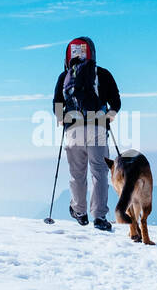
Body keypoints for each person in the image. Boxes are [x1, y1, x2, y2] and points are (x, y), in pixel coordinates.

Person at [52, 36, 122, 231]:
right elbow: (116, 102)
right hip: (97, 128)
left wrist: (61, 118)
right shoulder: (103, 74)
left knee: (77, 173)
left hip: (73, 131)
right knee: (99, 172)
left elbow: (57, 104)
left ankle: (80, 211)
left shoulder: (64, 76)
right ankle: (100, 217)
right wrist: (109, 115)